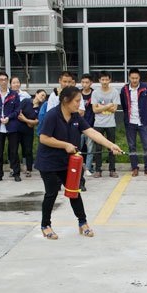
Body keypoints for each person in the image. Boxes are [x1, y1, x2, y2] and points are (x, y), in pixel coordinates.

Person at [34, 86, 122, 240]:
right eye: (76, 101)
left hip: (66, 161)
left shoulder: (75, 117)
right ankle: (45, 225)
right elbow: (44, 138)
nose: (79, 104)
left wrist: (110, 145)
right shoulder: (52, 115)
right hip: (48, 161)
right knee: (52, 192)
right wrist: (65, 145)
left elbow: (92, 132)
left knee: (74, 192)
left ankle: (83, 222)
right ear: (66, 100)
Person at [120, 68, 147, 177]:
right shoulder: (124, 89)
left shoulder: (145, 88)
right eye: (132, 78)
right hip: (130, 121)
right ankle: (134, 167)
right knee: (132, 146)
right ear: (129, 78)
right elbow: (124, 105)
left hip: (143, 121)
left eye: (136, 78)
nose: (134, 80)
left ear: (139, 78)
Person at [0, 71, 21, 182]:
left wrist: (9, 118)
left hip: (11, 126)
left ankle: (16, 173)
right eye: (1, 80)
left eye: (5, 79)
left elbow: (17, 110)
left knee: (14, 151)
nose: (3, 82)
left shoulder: (13, 94)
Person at [91, 71, 120, 178]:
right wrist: (108, 105)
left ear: (110, 80)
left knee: (112, 147)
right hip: (98, 124)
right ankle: (98, 169)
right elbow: (94, 109)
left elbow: (114, 109)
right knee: (98, 147)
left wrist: (101, 107)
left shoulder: (115, 92)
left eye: (106, 79)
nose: (104, 82)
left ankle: (112, 169)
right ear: (99, 80)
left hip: (110, 123)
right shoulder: (95, 93)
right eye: (102, 80)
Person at [18, 89, 47, 177]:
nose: (43, 98)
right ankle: (15, 168)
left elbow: (36, 122)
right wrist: (29, 121)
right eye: (42, 95)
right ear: (36, 94)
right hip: (18, 128)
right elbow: (19, 113)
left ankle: (29, 169)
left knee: (28, 149)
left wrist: (25, 120)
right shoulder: (26, 101)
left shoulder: (40, 107)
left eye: (44, 97)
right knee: (15, 149)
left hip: (29, 130)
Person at [79, 74, 95, 175]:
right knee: (78, 148)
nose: (84, 84)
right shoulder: (77, 93)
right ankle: (79, 167)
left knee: (90, 148)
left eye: (87, 82)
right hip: (79, 125)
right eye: (83, 82)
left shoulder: (94, 94)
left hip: (90, 125)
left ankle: (88, 168)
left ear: (91, 83)